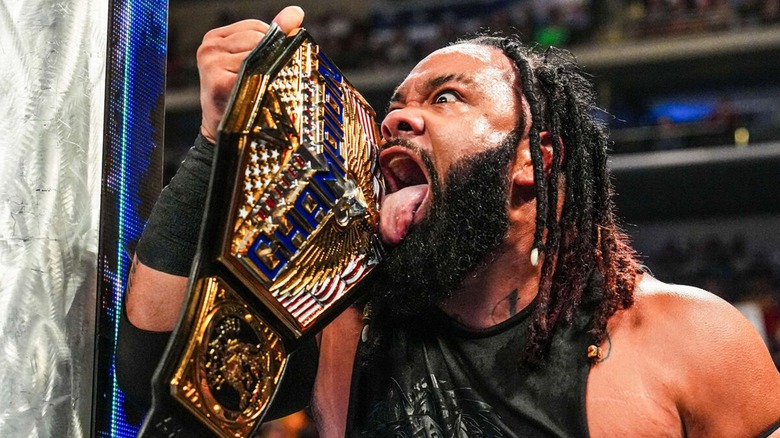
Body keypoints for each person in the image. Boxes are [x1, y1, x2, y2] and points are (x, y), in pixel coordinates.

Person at [117, 6, 780, 437]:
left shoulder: (684, 339)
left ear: (532, 159)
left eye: (446, 98)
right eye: (396, 104)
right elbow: (151, 360)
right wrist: (216, 140)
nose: (399, 118)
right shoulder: (347, 323)